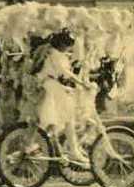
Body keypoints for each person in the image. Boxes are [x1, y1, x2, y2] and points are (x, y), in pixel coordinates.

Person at [29, 30, 91, 165]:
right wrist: (81, 83)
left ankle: (58, 150)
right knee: (67, 118)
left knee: (55, 123)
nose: (69, 49)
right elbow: (65, 72)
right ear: (62, 45)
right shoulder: (55, 54)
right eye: (68, 46)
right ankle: (73, 151)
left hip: (50, 85)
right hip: (51, 86)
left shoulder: (51, 52)